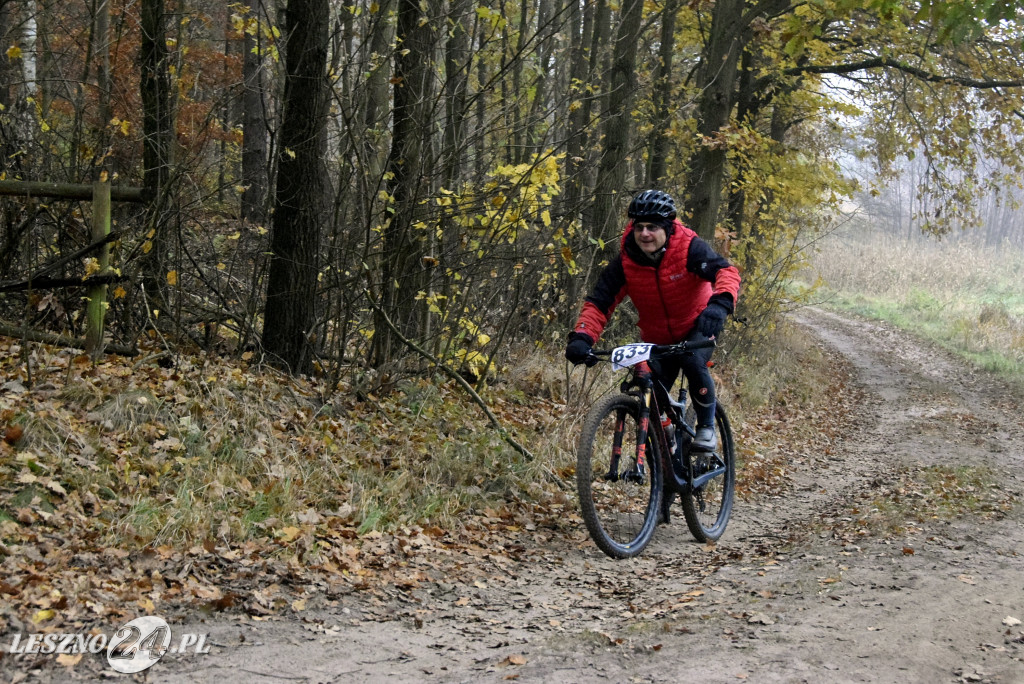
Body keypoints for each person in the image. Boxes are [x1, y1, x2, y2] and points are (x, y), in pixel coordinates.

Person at [565, 189, 741, 451]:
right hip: (657, 336)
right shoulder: (626, 261)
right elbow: (599, 303)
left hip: (699, 325)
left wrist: (720, 304)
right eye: (639, 227)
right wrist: (582, 337)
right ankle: (666, 438)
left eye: (653, 227)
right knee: (649, 384)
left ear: (668, 228)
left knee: (693, 363)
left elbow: (726, 272)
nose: (644, 233)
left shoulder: (689, 248)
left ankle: (706, 428)